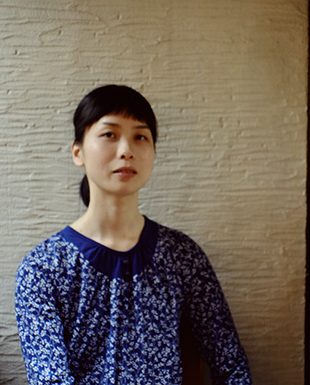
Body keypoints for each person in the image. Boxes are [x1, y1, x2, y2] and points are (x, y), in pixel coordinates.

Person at [15, 85, 252, 385]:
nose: (126, 150)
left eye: (140, 136)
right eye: (109, 134)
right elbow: (50, 380)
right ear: (78, 152)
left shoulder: (181, 255)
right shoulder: (42, 268)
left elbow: (232, 367)